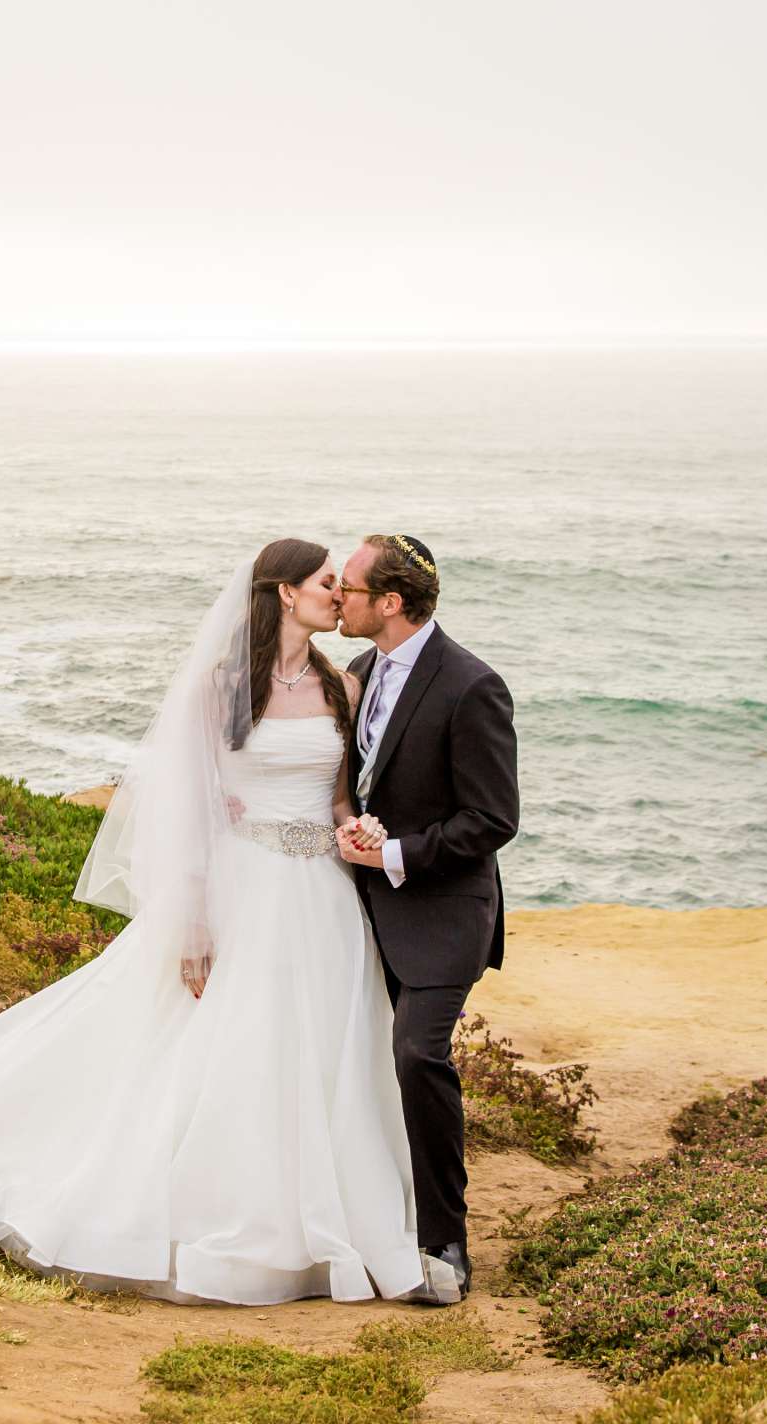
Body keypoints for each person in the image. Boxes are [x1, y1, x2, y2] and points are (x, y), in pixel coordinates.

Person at [0, 540, 461, 1306]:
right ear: (281, 593)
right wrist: (196, 920)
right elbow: (196, 809)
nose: (339, 595)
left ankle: (326, 1214)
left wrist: (354, 833)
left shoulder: (339, 681)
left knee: (321, 1050)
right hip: (245, 889)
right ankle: (231, 1212)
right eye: (325, 583)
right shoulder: (222, 686)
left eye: (343, 584)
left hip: (327, 898)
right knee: (233, 1045)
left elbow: (336, 798)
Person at [333, 533, 519, 1300]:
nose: (336, 597)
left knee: (417, 1055)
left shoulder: (472, 685)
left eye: (348, 587)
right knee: (352, 1060)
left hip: (445, 913)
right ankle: (368, 1214)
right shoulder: (357, 671)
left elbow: (493, 817)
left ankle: (446, 1238)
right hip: (358, 911)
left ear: (390, 602)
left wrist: (398, 854)